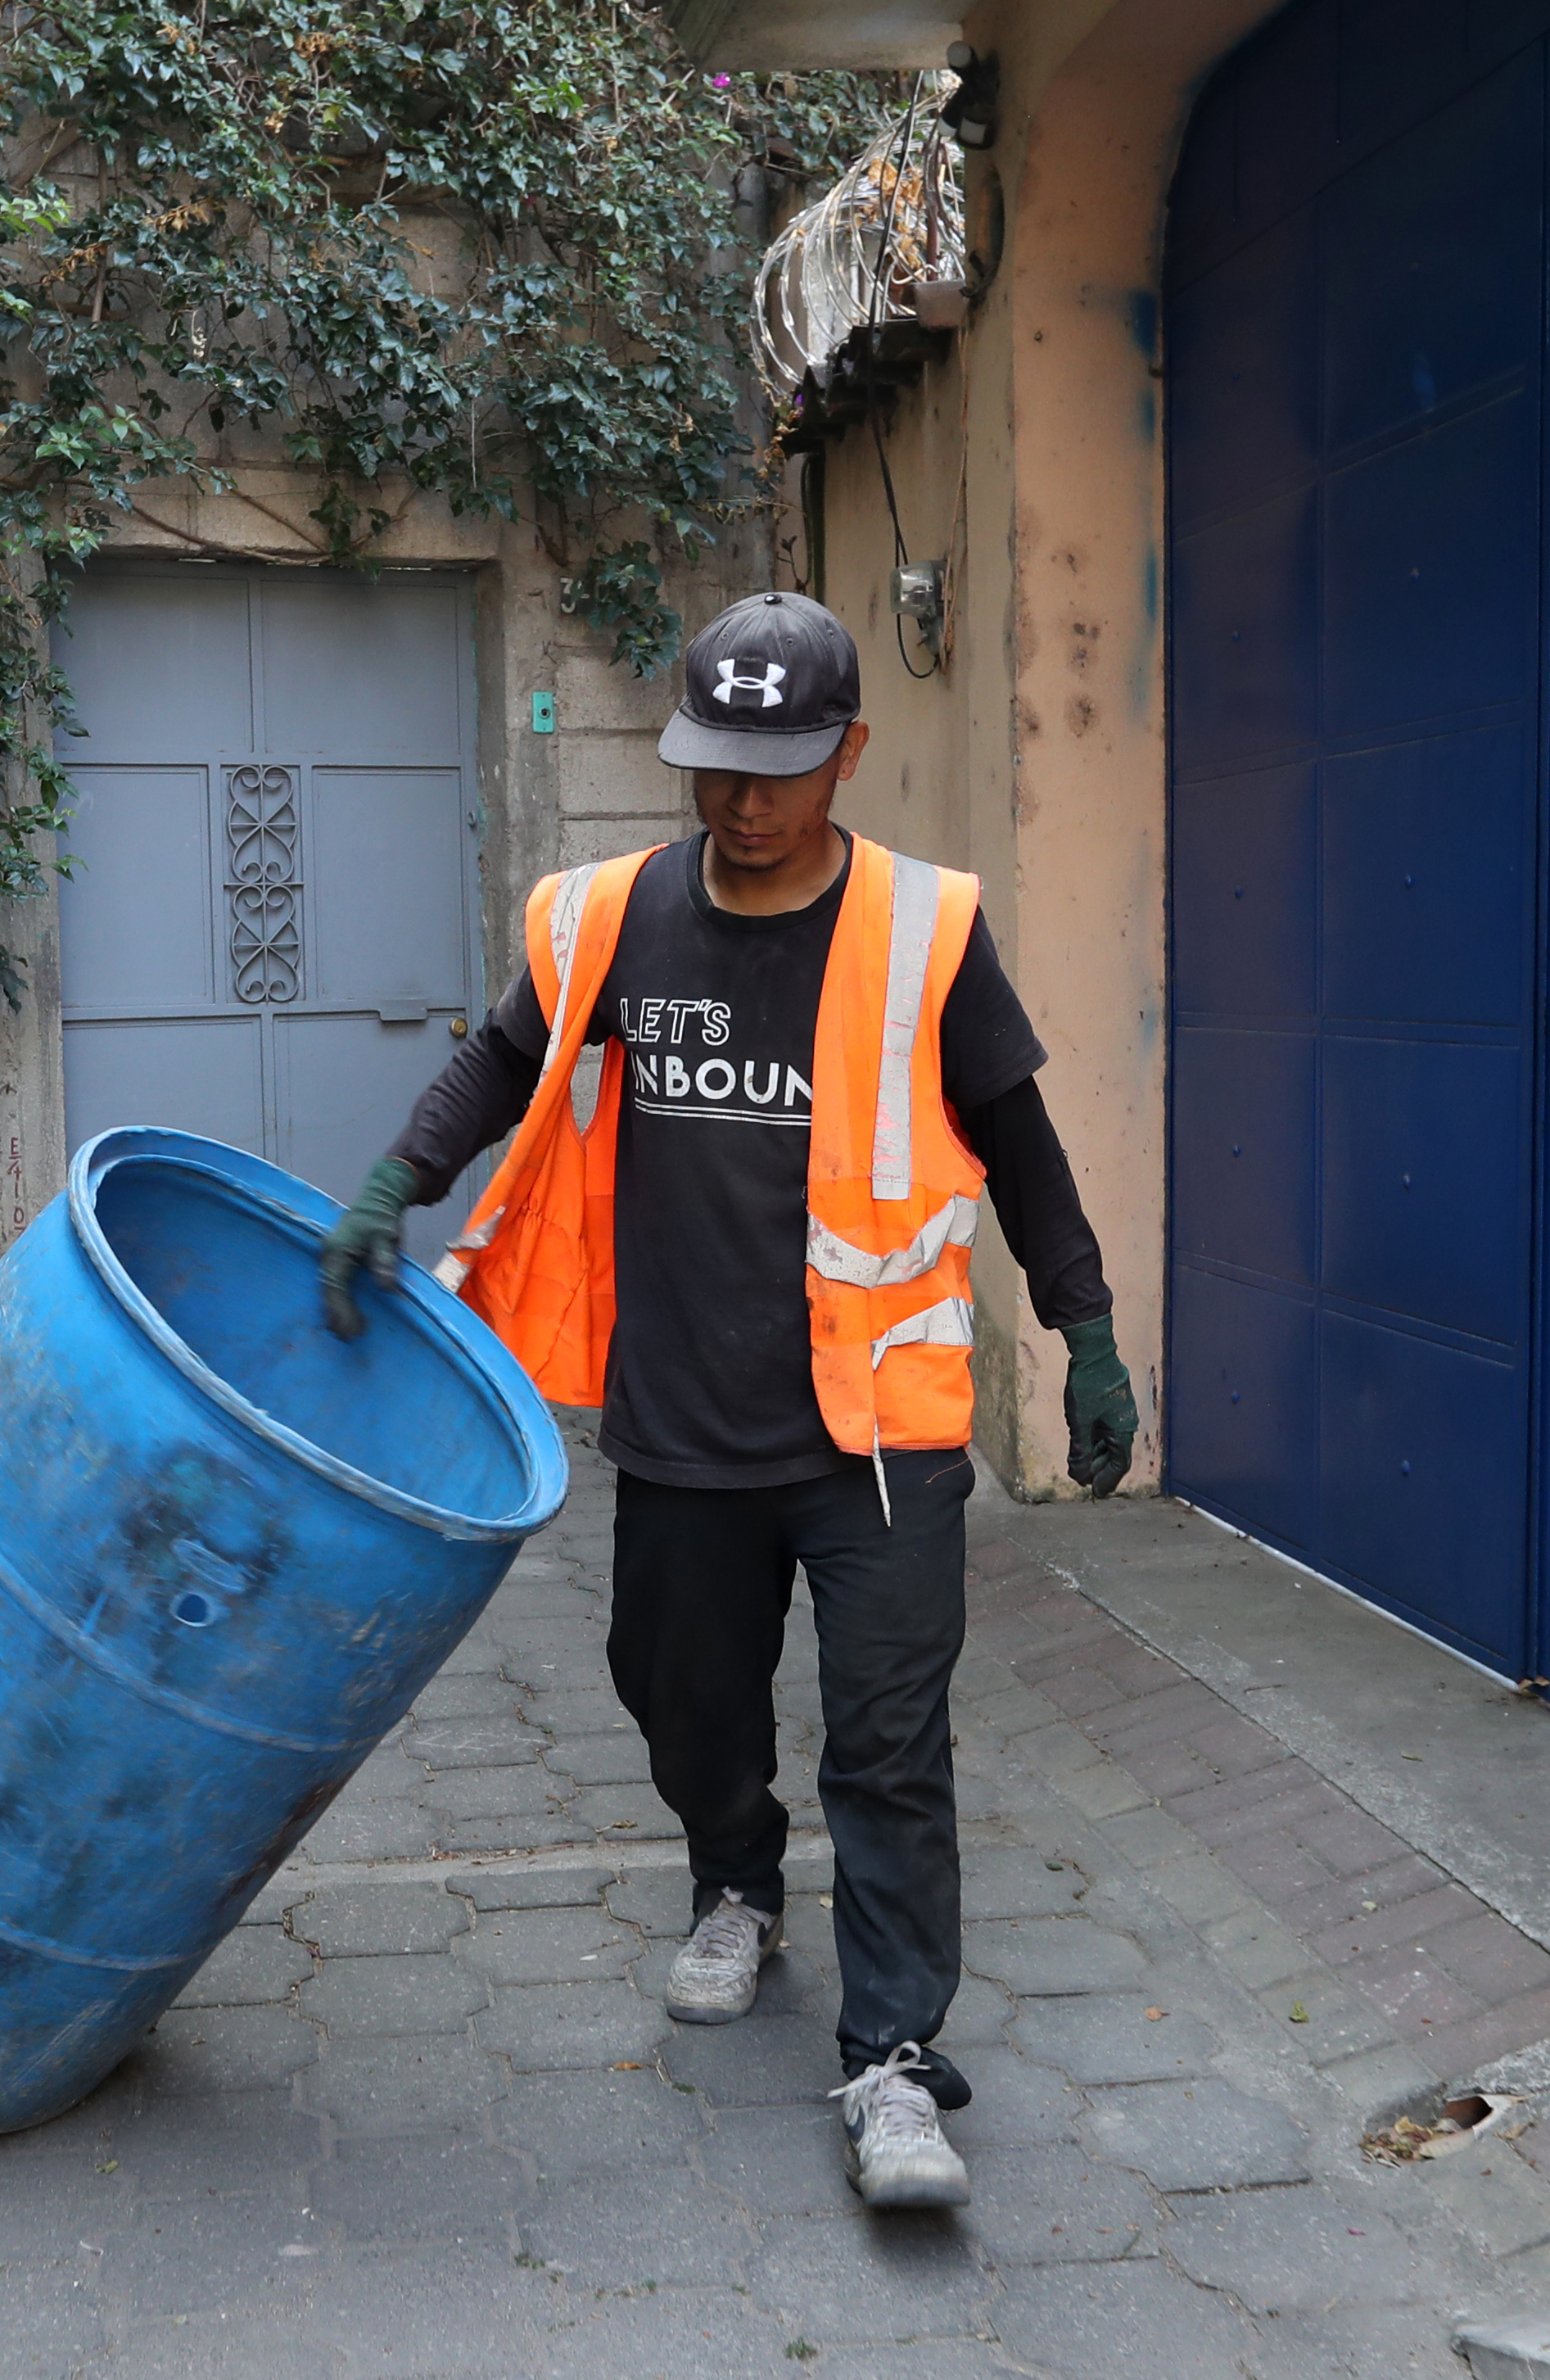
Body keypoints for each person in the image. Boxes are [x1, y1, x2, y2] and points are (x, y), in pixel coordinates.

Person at [316, 590, 1136, 2210]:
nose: (741, 801)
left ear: (849, 753)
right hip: (684, 1411)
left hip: (879, 1431)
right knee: (676, 1692)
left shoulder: (922, 931)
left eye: (777, 770)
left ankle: (892, 2059)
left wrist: (1086, 1324)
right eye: (713, 766)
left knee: (889, 1744)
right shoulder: (614, 918)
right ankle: (737, 1883)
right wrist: (395, 1179)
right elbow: (503, 1059)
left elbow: (1020, 1143)